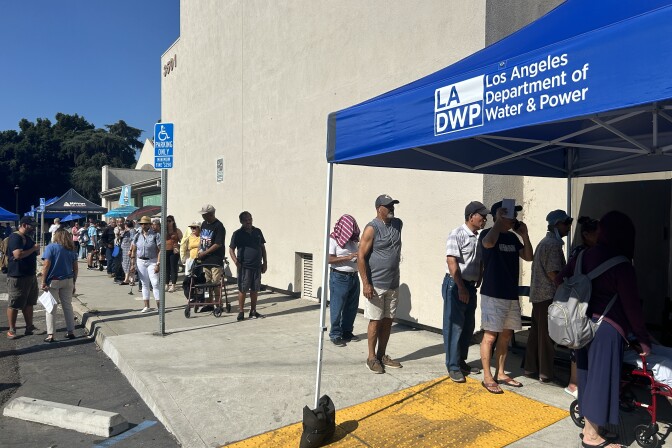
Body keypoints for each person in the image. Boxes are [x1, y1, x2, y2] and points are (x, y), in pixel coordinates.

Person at [557, 211, 650, 448]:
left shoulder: (582, 256)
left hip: (580, 324)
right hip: (607, 328)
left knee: (586, 378)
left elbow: (560, 280)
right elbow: (632, 307)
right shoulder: (622, 264)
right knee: (601, 380)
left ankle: (591, 428)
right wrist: (643, 339)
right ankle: (592, 436)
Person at [479, 200, 533, 394]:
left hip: (510, 294)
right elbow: (488, 243)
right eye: (510, 214)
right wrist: (498, 223)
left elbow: (528, 256)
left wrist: (525, 235)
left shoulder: (512, 238)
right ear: (498, 215)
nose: (514, 218)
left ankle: (501, 373)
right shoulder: (487, 233)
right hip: (493, 294)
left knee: (507, 334)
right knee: (490, 335)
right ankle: (487, 377)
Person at [524, 209, 572, 383]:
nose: (568, 227)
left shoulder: (545, 242)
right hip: (548, 297)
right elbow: (553, 273)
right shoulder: (552, 245)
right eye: (566, 223)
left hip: (538, 296)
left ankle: (531, 369)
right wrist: (566, 291)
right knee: (547, 337)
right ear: (557, 224)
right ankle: (546, 373)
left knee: (536, 335)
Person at [443, 201, 488, 383]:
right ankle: (453, 366)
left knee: (468, 326)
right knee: (455, 326)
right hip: (456, 285)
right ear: (471, 217)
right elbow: (451, 261)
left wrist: (480, 276)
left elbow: (479, 260)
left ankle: (461, 362)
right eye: (482, 216)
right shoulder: (457, 234)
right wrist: (461, 286)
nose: (485, 219)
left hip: (470, 286)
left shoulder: (478, 237)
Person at [358, 194, 403, 374]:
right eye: (388, 206)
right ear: (379, 209)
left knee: (388, 321)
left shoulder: (398, 224)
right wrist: (366, 283)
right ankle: (371, 357)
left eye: (393, 205)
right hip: (376, 283)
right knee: (375, 321)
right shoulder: (372, 228)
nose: (392, 209)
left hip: (393, 282)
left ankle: (382, 354)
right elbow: (360, 256)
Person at [564, 215, 600, 398]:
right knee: (577, 341)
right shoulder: (580, 252)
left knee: (583, 340)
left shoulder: (589, 251)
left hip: (585, 302)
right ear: (586, 234)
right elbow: (565, 277)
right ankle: (574, 383)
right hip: (579, 303)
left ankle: (579, 382)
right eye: (597, 233)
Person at [327, 214, 360, 346]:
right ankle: (335, 334)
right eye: (349, 227)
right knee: (337, 306)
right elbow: (329, 259)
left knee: (351, 307)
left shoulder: (354, 241)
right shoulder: (333, 239)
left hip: (353, 276)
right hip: (339, 277)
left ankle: (347, 331)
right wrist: (348, 257)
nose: (351, 230)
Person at [40, 228, 78, 342]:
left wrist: (43, 281)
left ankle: (51, 334)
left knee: (51, 308)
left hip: (54, 280)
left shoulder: (51, 247)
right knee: (67, 306)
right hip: (68, 279)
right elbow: (75, 268)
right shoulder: (71, 249)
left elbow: (46, 265)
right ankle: (71, 331)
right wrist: (74, 282)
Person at [229, 211, 267, 321]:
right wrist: (236, 261)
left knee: (255, 289)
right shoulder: (237, 234)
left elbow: (262, 248)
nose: (249, 221)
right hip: (244, 267)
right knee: (243, 289)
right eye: (246, 220)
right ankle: (241, 311)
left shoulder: (257, 231)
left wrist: (265, 263)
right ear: (241, 221)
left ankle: (253, 311)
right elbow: (231, 249)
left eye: (250, 219)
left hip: (256, 266)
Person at [6, 217, 40, 339]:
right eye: (32, 225)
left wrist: (36, 250)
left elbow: (35, 253)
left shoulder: (29, 237)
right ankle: (12, 329)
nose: (34, 228)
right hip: (17, 275)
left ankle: (29, 327)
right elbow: (18, 254)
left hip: (30, 275)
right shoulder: (15, 237)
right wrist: (33, 249)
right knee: (14, 303)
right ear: (24, 225)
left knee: (29, 302)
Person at [198, 205, 226, 313]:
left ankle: (218, 303)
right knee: (206, 283)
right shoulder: (204, 224)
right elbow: (202, 239)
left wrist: (205, 252)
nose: (203, 216)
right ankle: (208, 303)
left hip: (215, 259)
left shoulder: (219, 226)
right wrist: (200, 250)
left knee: (215, 283)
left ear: (211, 214)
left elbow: (218, 244)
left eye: (205, 214)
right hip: (205, 259)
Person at [130, 216, 161, 313]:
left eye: (146, 224)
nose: (143, 226)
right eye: (142, 224)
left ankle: (160, 307)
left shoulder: (155, 235)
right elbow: (134, 249)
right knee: (144, 283)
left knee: (155, 283)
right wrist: (132, 263)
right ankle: (146, 306)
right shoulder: (137, 235)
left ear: (150, 225)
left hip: (152, 260)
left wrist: (158, 263)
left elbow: (160, 250)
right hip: (140, 261)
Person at [164, 215, 183, 293]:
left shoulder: (177, 230)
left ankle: (173, 285)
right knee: (166, 268)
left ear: (173, 222)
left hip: (174, 251)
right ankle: (166, 284)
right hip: (165, 250)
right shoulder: (164, 230)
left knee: (173, 268)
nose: (168, 223)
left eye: (170, 221)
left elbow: (182, 241)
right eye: (167, 221)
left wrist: (178, 246)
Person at [120, 220, 135, 286]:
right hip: (124, 250)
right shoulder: (126, 231)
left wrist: (130, 250)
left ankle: (127, 279)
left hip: (128, 250)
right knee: (126, 264)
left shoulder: (132, 231)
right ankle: (131, 279)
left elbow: (132, 241)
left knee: (128, 264)